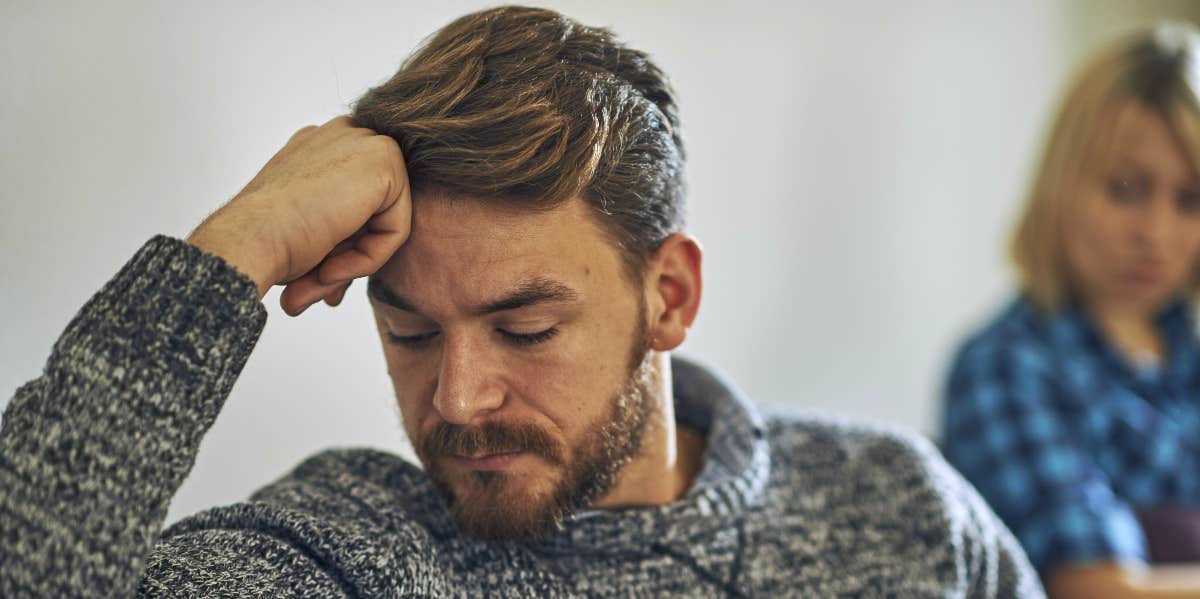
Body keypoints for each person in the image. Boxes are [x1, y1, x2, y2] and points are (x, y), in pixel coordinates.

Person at [1, 6, 1040, 597]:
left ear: (668, 295)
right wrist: (234, 247)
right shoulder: (349, 550)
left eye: (524, 326)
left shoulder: (900, 509)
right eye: (408, 329)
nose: (457, 397)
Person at [941, 21, 1200, 599]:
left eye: (1190, 200)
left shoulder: (1188, 358)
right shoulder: (1004, 369)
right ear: (1063, 187)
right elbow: (1097, 590)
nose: (1155, 234)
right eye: (1126, 189)